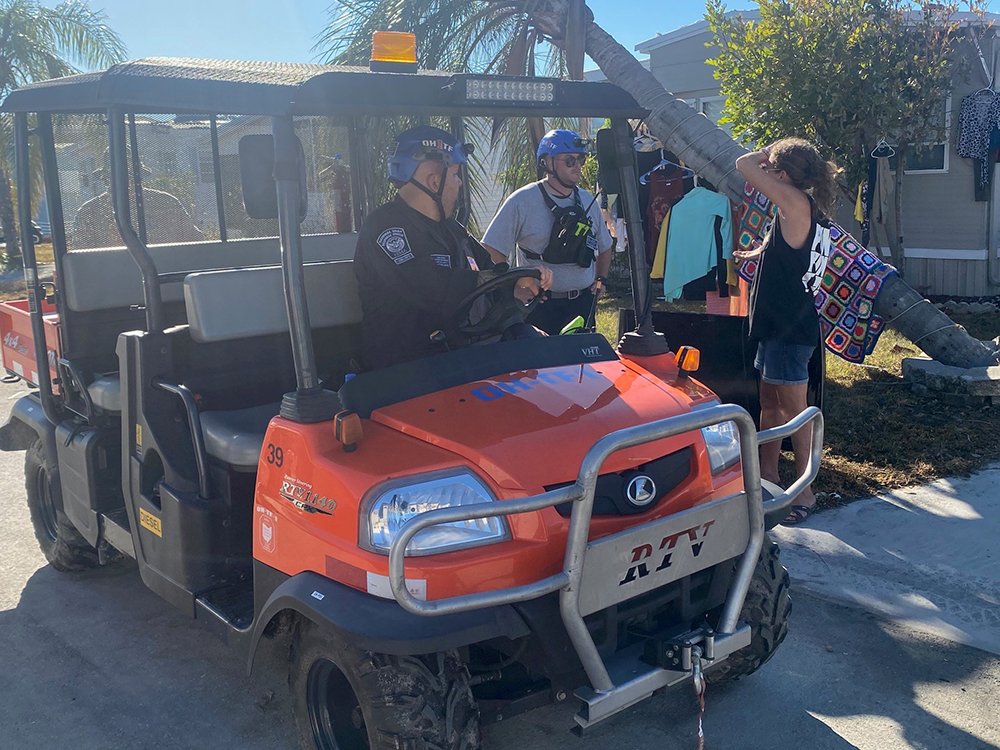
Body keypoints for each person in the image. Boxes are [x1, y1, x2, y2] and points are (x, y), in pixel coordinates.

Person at [353, 126, 552, 370]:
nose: (459, 184)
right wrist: (491, 280)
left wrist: (521, 281)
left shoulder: (453, 230)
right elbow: (429, 286)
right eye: (456, 174)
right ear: (434, 181)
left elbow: (492, 270)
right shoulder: (385, 228)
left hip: (458, 359)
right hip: (406, 370)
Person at [734, 138, 842, 525]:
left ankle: (805, 491)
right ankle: (767, 476)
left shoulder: (795, 202)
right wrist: (758, 253)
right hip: (778, 323)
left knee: (795, 412)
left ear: (782, 175)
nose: (766, 175)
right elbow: (792, 251)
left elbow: (743, 165)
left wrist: (762, 154)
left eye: (772, 171)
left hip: (790, 326)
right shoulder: (799, 209)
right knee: (769, 403)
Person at [482, 129, 614, 335]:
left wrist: (601, 280)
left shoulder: (588, 200)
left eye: (581, 159)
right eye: (570, 160)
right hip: (540, 307)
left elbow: (605, 245)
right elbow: (490, 250)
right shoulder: (522, 201)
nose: (577, 165)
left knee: (583, 366)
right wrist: (514, 286)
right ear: (548, 163)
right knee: (540, 366)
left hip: (583, 305)